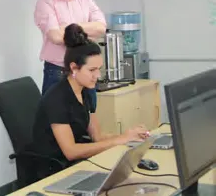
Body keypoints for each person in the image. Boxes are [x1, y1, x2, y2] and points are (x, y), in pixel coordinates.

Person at [32, 24, 149, 178]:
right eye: (92, 70)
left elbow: (97, 137)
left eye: (99, 69)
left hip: (76, 164)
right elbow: (71, 152)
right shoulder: (56, 98)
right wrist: (121, 139)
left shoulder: (85, 90)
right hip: (53, 170)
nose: (98, 76)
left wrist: (129, 136)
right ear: (74, 68)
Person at [34, 0, 106, 109]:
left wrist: (70, 27)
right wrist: (87, 27)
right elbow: (56, 36)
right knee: (54, 119)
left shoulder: (85, 0)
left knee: (88, 116)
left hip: (85, 70)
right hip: (58, 71)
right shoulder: (45, 3)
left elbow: (101, 27)